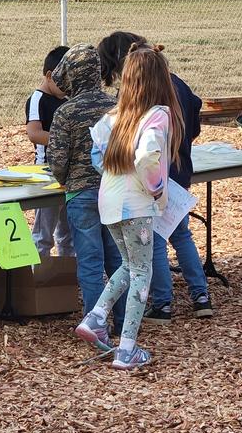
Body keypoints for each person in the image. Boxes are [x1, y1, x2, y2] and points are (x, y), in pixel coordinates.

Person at [77, 43, 185, 369]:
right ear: (159, 80)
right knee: (142, 273)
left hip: (109, 202)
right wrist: (156, 189)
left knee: (129, 265)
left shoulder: (115, 117)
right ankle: (126, 349)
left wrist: (118, 178)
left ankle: (95, 317)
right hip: (136, 205)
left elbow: (96, 151)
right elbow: (147, 156)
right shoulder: (158, 115)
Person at [97, 31, 212, 323]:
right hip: (179, 172)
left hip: (154, 181)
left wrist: (155, 184)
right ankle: (201, 295)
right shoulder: (179, 87)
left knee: (156, 243)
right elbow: (195, 120)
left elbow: (139, 151)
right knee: (182, 235)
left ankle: (162, 303)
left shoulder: (143, 97)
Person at [48, 45, 127, 332]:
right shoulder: (116, 107)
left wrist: (65, 178)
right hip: (114, 190)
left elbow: (57, 162)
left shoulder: (66, 112)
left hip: (81, 194)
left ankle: (95, 325)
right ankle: (123, 322)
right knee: (117, 259)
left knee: (90, 262)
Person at [26, 45, 74, 257]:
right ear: (49, 75)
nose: (69, 87)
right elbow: (34, 133)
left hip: (69, 171)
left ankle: (65, 279)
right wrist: (63, 141)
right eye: (65, 82)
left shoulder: (66, 100)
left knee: (67, 232)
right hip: (46, 171)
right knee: (43, 233)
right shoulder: (37, 99)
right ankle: (38, 279)